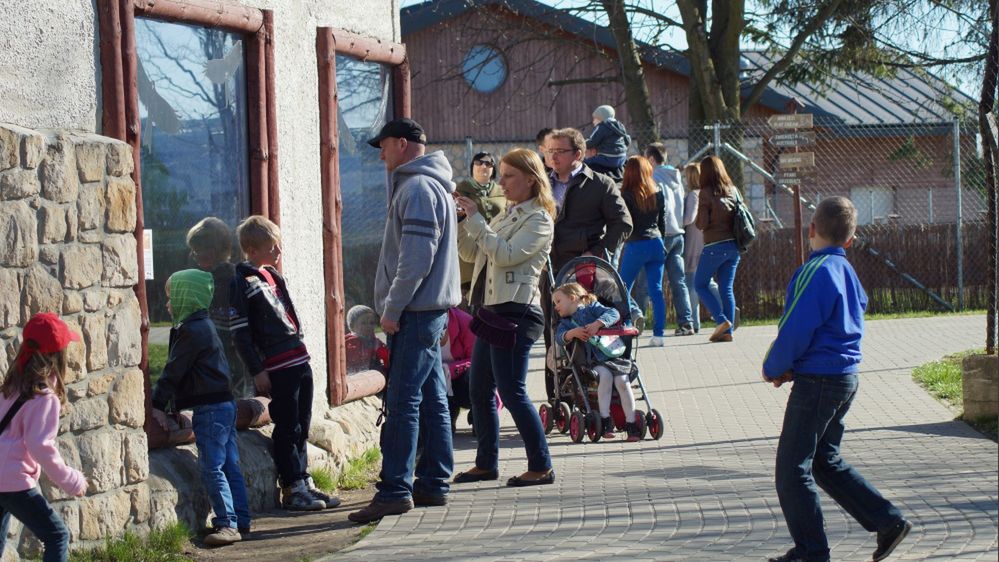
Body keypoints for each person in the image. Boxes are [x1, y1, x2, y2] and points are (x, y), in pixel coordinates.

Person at [764, 197, 912, 562]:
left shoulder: (814, 271)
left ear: (811, 230)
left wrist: (774, 366)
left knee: (791, 470)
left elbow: (796, 328)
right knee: (823, 461)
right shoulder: (847, 272)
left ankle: (812, 552)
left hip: (818, 382)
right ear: (851, 239)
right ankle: (888, 521)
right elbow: (852, 313)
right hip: (845, 378)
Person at [349, 118, 461, 523]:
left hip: (416, 313)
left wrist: (391, 310)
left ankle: (395, 489)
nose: (380, 155)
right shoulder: (430, 184)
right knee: (431, 398)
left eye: (383, 146)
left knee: (401, 401)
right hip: (428, 311)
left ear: (401, 143)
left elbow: (415, 260)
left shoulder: (416, 187)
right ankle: (433, 483)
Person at [452, 148, 555, 487]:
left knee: (512, 392)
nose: (502, 182)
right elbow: (470, 252)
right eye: (503, 175)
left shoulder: (538, 218)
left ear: (531, 179)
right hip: (492, 311)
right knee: (480, 390)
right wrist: (468, 218)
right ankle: (486, 463)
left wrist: (480, 222)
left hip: (518, 311)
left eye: (509, 175)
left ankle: (541, 465)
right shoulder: (509, 214)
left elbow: (506, 255)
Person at [230, 216, 338, 512]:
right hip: (278, 365)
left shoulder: (273, 276)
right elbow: (240, 333)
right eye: (271, 246)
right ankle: (291, 486)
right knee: (288, 424)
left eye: (278, 244)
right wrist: (257, 369)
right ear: (251, 249)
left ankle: (303, 479)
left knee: (302, 423)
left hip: (298, 359)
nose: (278, 251)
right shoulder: (243, 282)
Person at [151, 269, 251, 547]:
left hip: (211, 410)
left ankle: (227, 523)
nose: (168, 304)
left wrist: (157, 404)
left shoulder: (191, 331)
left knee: (212, 467)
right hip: (224, 404)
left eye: (173, 297)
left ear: (187, 297)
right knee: (230, 464)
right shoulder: (202, 325)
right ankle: (241, 520)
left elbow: (174, 371)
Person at [542, 128, 632, 399]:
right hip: (550, 269)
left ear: (578, 154)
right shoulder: (542, 184)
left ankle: (596, 395)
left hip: (586, 273)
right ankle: (558, 398)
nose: (553, 156)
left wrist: (598, 253)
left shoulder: (600, 183)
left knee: (590, 332)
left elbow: (623, 222)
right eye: (550, 151)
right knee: (555, 333)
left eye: (560, 151)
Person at [0, 313, 87, 562]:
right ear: (57, 356)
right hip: (14, 481)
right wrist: (71, 481)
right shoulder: (43, 397)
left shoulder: (11, 387)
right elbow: (40, 445)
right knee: (57, 536)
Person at [553, 283, 640, 442]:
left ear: (572, 298)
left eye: (558, 301)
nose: (556, 306)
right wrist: (572, 333)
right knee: (605, 377)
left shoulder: (592, 307)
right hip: (593, 361)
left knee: (623, 381)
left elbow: (613, 313)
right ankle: (606, 420)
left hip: (614, 356)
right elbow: (559, 337)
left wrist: (598, 324)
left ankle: (631, 422)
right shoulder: (565, 322)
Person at [186, 217, 253, 397]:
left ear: (212, 252)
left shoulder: (222, 281)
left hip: (227, 356)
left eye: (197, 251)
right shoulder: (225, 276)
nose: (194, 256)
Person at [616, 156, 669, 347]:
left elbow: (624, 222)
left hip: (636, 245)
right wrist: (660, 240)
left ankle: (626, 327)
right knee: (656, 290)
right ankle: (659, 335)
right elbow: (662, 221)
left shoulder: (627, 194)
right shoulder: (658, 191)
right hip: (656, 242)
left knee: (622, 288)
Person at [644, 143, 694, 336]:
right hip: (678, 234)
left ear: (651, 159)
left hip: (662, 234)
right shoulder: (676, 176)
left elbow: (659, 208)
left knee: (646, 281)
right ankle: (686, 322)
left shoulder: (655, 177)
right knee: (678, 281)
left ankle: (637, 319)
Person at [694, 156, 742, 343]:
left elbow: (701, 223)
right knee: (726, 288)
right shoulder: (734, 191)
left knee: (700, 284)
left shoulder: (705, 193)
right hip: (734, 246)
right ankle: (727, 332)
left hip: (715, 245)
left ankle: (721, 321)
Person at [456, 152, 507, 302]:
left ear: (493, 169)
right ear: (472, 167)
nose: (483, 166)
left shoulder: (502, 192)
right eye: (478, 162)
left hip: (496, 248)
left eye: (488, 163)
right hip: (470, 249)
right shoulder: (461, 191)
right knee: (471, 296)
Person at [681, 163, 719, 334]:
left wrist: (676, 222)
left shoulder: (693, 196)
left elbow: (689, 218)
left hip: (693, 242)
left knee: (692, 283)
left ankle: (695, 321)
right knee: (703, 280)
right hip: (705, 240)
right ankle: (725, 308)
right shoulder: (707, 194)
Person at [583, 105, 631, 176]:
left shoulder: (601, 127)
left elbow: (592, 142)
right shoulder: (620, 125)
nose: (593, 121)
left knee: (587, 162)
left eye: (595, 119)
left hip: (608, 158)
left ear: (601, 118)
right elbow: (627, 140)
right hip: (622, 158)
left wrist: (581, 144)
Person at [344, 305, 388, 374]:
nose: (368, 326)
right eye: (363, 323)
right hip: (353, 374)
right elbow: (350, 358)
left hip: (370, 373)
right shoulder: (349, 342)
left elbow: (386, 356)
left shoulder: (375, 342)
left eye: (371, 323)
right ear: (352, 326)